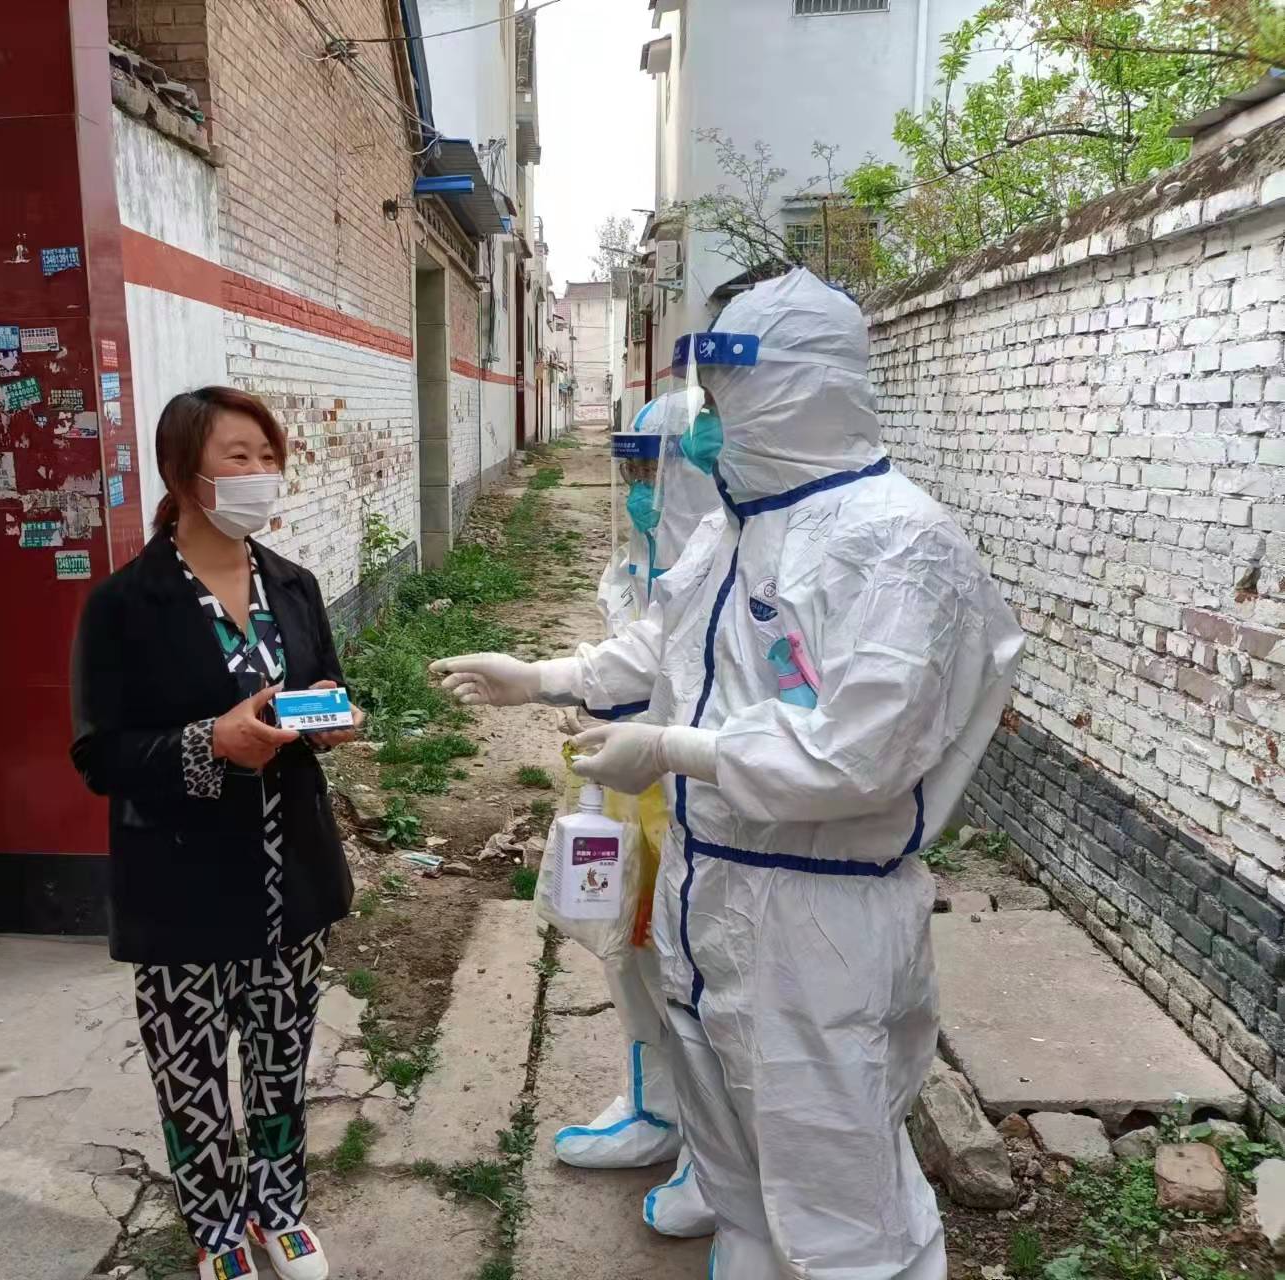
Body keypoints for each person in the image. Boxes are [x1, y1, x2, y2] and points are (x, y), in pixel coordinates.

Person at [435, 269, 1023, 1279]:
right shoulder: (733, 526)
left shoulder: (898, 544)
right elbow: (664, 645)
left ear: (794, 390)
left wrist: (671, 750)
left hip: (819, 916)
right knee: (732, 1165)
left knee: (837, 1192)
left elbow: (858, 756)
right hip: (706, 887)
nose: (705, 426)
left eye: (721, 399)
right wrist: (541, 677)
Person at [71, 387, 358, 1280]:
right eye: (240, 456)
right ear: (183, 473)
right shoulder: (124, 605)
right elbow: (99, 754)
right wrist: (209, 743)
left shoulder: (294, 586)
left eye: (269, 456)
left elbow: (323, 686)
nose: (261, 473)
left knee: (281, 1059)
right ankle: (217, 1226)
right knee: (192, 1078)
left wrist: (329, 719)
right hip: (181, 887)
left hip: (288, 878)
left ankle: (279, 1207)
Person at [554, 386, 722, 1243]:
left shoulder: (732, 565)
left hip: (699, 801)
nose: (638, 493)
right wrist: (559, 685)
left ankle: (713, 1153)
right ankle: (653, 1109)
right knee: (630, 956)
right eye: (630, 473)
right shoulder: (639, 567)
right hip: (629, 793)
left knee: (697, 976)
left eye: (653, 473)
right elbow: (627, 657)